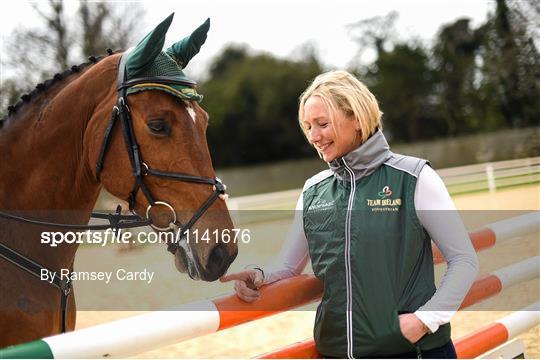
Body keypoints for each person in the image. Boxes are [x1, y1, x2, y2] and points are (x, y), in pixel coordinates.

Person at [220, 70, 479, 359]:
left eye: (322, 124)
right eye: (307, 126)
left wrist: (424, 320)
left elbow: (464, 260)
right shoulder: (312, 191)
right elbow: (288, 267)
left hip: (412, 350)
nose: (314, 136)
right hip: (336, 352)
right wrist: (259, 275)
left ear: (356, 118)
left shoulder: (414, 177)